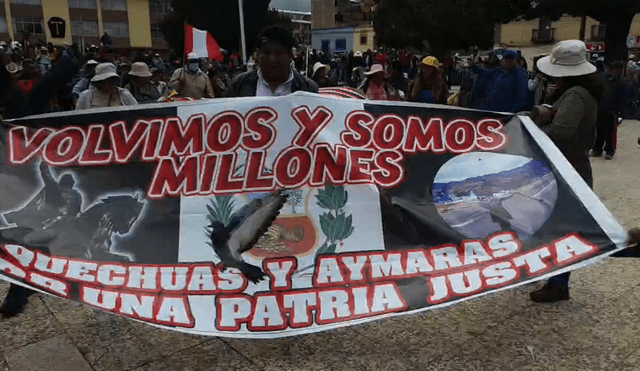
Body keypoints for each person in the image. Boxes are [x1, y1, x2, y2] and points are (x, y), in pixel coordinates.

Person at [528, 40, 605, 302]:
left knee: (562, 227)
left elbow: (561, 132)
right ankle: (555, 279)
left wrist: (533, 131)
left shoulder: (574, 95)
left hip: (569, 167)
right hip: (571, 165)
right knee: (558, 224)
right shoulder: (577, 92)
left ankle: (558, 283)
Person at [223, 25, 318, 98]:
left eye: (279, 53)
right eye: (266, 52)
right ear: (258, 55)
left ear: (290, 55)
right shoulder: (239, 84)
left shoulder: (308, 88)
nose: (272, 59)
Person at [592, 61, 625, 159]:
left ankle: (609, 150)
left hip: (612, 111)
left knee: (610, 132)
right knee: (599, 130)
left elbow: (621, 97)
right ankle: (597, 149)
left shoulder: (620, 82)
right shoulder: (601, 78)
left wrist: (620, 113)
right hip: (600, 109)